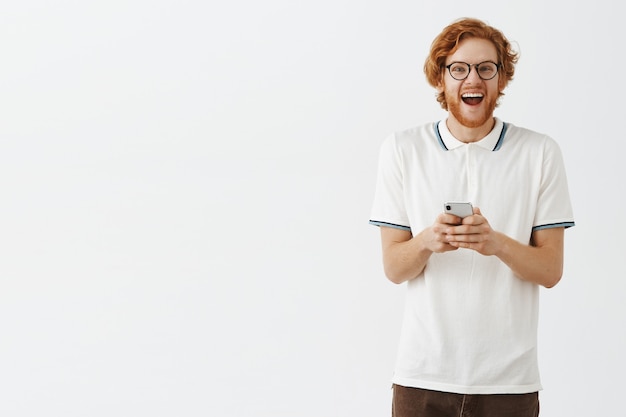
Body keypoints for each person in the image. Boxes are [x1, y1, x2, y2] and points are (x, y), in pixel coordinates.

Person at [369, 17, 574, 417]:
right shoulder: (401, 150)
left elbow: (550, 270)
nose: (472, 79)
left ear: (501, 79)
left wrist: (495, 243)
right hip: (422, 378)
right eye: (459, 68)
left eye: (486, 68)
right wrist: (428, 240)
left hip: (509, 384)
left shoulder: (540, 153)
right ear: (441, 78)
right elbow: (394, 268)